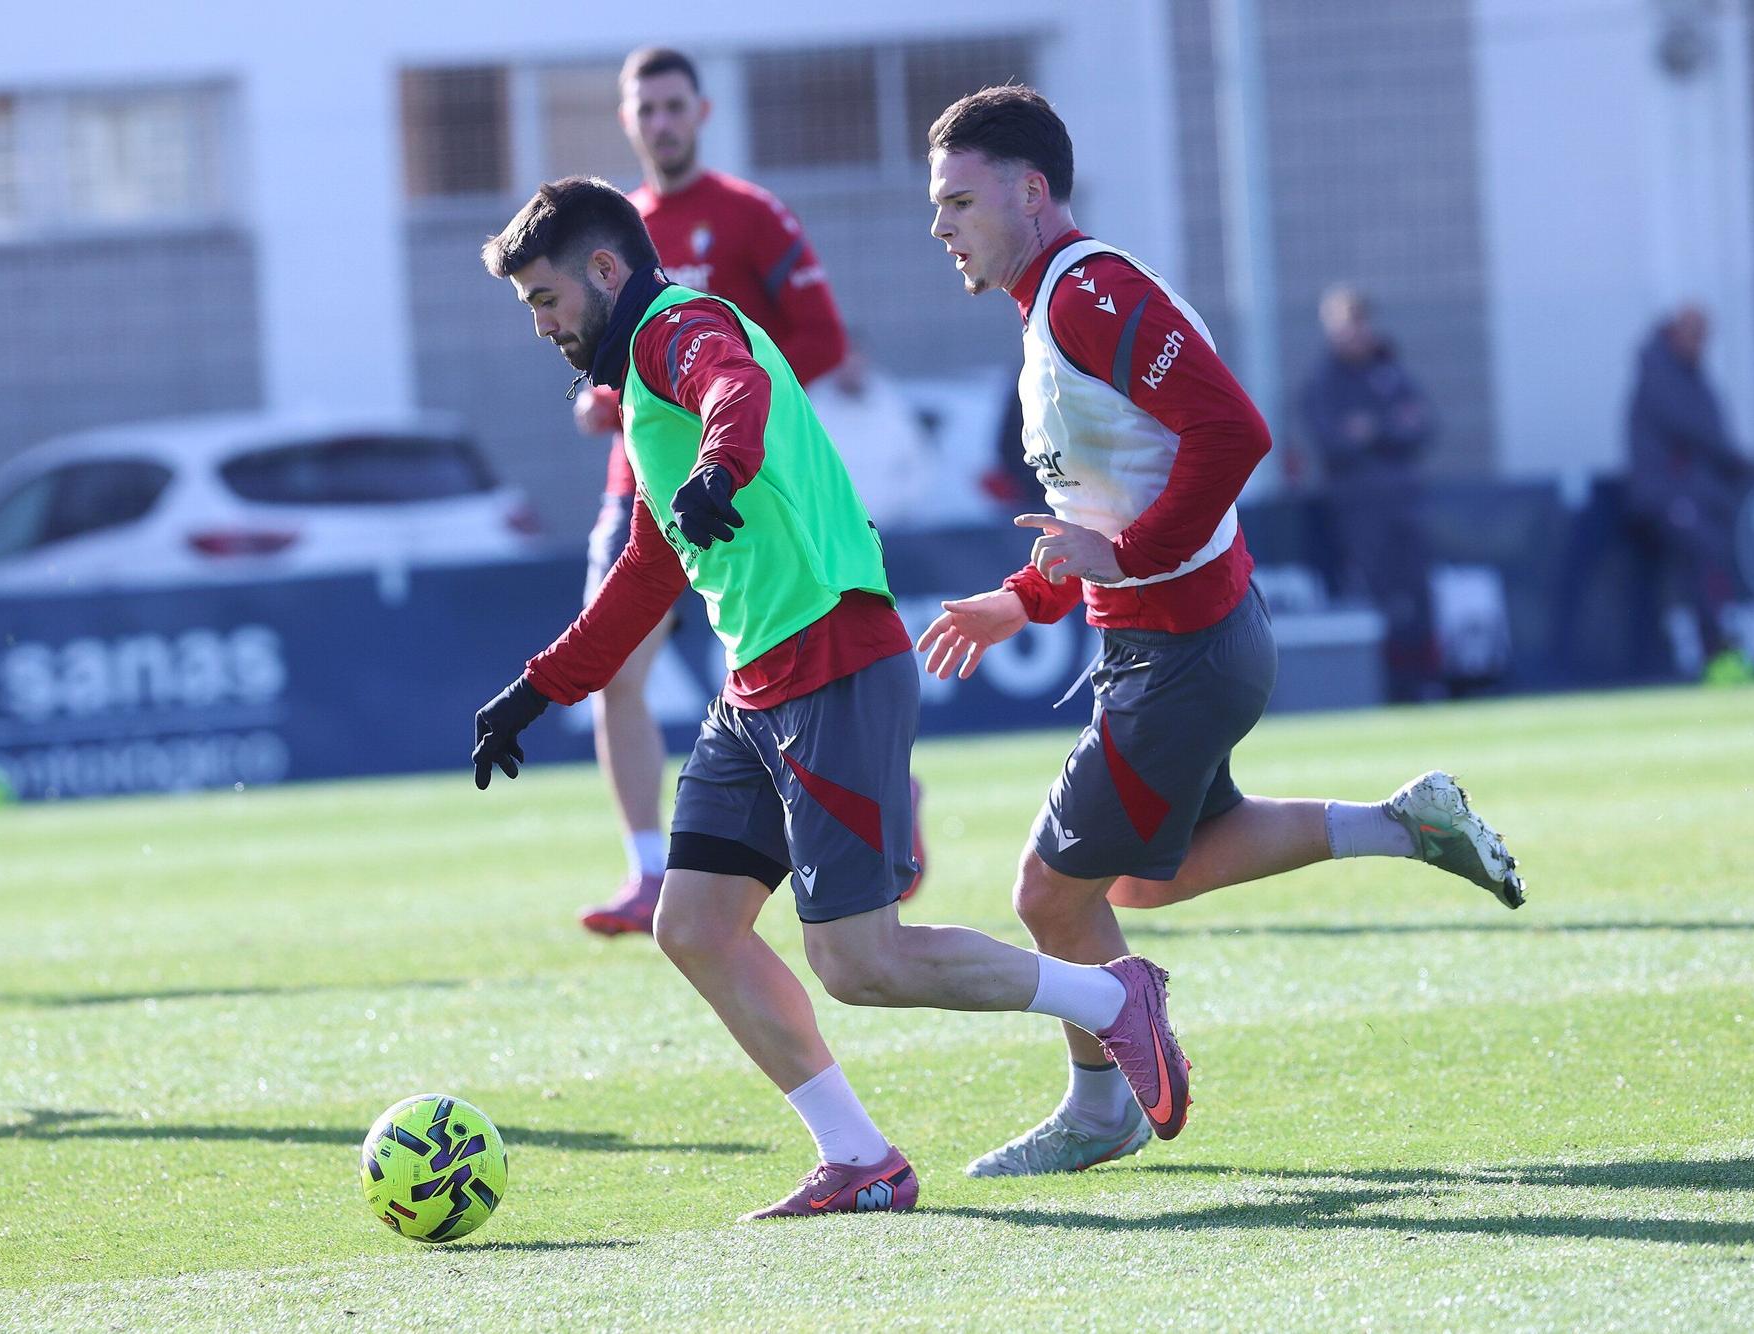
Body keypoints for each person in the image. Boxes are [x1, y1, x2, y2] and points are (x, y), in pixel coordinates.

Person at [472, 176, 1191, 1218]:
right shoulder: (641, 385)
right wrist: (536, 691)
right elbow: (648, 568)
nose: (541, 325)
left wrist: (721, 466)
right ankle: (858, 1157)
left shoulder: (678, 328)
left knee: (859, 961)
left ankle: (1110, 994)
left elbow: (734, 391)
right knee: (694, 925)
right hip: (758, 685)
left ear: (604, 270)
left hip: (830, 662)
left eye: (545, 298)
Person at [916, 86, 1525, 1178]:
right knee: (1144, 880)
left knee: (1047, 894)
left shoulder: (1088, 292)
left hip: (1181, 651)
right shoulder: (1059, 302)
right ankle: (1406, 826)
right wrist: (1025, 598)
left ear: (1031, 191)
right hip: (1194, 642)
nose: (939, 226)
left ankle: (1099, 1109)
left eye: (958, 201)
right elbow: (1102, 511)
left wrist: (1131, 555)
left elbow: (1233, 430)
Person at [569, 46, 922, 936]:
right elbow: (604, 353)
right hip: (643, 492)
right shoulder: (616, 233)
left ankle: (885, 787)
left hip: (747, 485)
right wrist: (606, 396)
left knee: (774, 662)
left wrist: (726, 398)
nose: (661, 122)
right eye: (646, 108)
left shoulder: (749, 215)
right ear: (626, 120)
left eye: (674, 105)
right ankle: (646, 867)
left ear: (703, 112)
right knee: (616, 671)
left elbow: (822, 338)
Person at [1299, 285, 1442, 700]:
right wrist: (1386, 428)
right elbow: (1332, 442)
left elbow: (1422, 426)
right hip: (1357, 510)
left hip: (1407, 504)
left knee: (1418, 593)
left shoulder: (1391, 371)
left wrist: (1372, 429)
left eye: (1359, 322)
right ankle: (1382, 683)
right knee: (1373, 595)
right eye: (1344, 324)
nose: (1354, 333)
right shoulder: (1323, 383)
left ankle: (1426, 680)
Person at [1623, 304, 1754, 676]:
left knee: (1712, 563)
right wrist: (1735, 459)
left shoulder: (1692, 376)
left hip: (1692, 495)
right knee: (1705, 559)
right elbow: (1701, 432)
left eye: (1704, 336)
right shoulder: (1662, 376)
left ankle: (1721, 650)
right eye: (1694, 334)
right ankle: (1717, 655)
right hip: (1668, 497)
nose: (1700, 343)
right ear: (1675, 334)